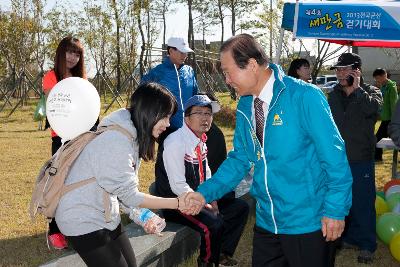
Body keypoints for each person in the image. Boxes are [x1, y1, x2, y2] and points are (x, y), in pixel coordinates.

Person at [183, 34, 353, 267]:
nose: (227, 80)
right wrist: (205, 193)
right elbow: (240, 158)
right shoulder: (245, 105)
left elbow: (334, 157)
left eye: (228, 71)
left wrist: (335, 209)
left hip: (308, 222)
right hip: (267, 222)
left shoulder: (304, 96)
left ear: (252, 65)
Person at [54, 82, 199, 267]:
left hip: (105, 213)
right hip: (81, 218)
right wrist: (178, 203)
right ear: (150, 111)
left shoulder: (132, 137)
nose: (168, 123)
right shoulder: (117, 140)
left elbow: (123, 193)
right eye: (165, 116)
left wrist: (143, 216)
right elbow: (130, 195)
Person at [155, 95, 249, 267]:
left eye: (209, 113)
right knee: (213, 223)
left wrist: (212, 199)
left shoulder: (201, 141)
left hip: (198, 197)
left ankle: (222, 255)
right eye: (199, 113)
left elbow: (207, 174)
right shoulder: (175, 142)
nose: (206, 117)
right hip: (177, 203)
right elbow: (177, 185)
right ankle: (206, 262)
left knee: (240, 208)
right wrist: (202, 202)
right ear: (186, 118)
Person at [328, 53, 382, 264]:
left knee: (363, 202)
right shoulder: (333, 94)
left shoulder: (371, 92)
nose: (339, 74)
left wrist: (357, 90)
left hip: (360, 158)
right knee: (342, 201)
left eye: (344, 69)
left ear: (356, 71)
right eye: (338, 70)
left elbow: (373, 110)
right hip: (337, 159)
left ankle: (367, 244)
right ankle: (349, 237)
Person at [42, 36, 90, 249]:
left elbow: (89, 109)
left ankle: (77, 225)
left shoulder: (83, 80)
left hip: (83, 138)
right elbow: (56, 110)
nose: (73, 57)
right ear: (61, 54)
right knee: (57, 183)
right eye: (69, 52)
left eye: (77, 53)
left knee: (80, 183)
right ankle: (54, 229)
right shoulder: (51, 77)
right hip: (61, 138)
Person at [141, 36, 198, 141]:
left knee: (189, 156)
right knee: (166, 155)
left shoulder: (189, 71)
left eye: (186, 52)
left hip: (188, 125)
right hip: (166, 127)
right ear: (171, 51)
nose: (185, 55)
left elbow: (195, 95)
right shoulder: (157, 72)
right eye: (181, 52)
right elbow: (143, 93)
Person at [373, 68, 398, 161]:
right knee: (378, 138)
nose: (377, 80)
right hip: (385, 119)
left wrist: (394, 120)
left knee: (379, 138)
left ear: (384, 76)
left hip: (391, 120)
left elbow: (394, 103)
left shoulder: (391, 87)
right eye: (376, 78)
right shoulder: (383, 87)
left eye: (378, 78)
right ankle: (377, 157)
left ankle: (377, 157)